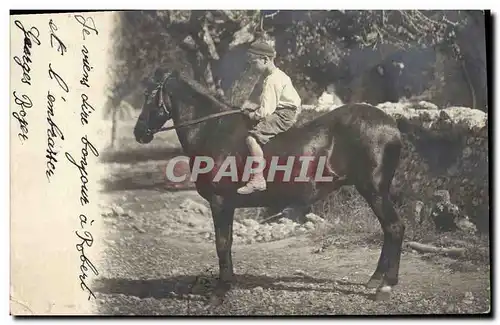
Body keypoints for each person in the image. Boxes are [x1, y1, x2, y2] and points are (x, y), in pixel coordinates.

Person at [238, 41, 302, 195]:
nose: (253, 67)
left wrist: (251, 114)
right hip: (287, 111)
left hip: (283, 115)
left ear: (265, 60)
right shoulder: (278, 75)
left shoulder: (272, 80)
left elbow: (265, 112)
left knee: (251, 139)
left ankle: (258, 178)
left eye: (254, 63)